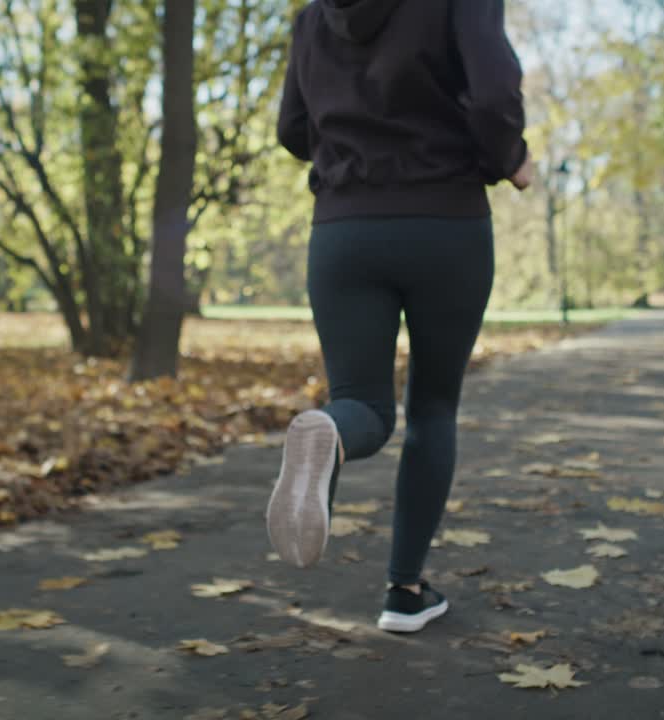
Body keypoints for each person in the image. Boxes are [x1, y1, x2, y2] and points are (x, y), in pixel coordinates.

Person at [266, 0, 533, 634]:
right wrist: (511, 157)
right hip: (446, 224)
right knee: (433, 409)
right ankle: (404, 592)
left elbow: (291, 130)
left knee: (362, 405)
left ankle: (330, 433)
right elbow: (494, 95)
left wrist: (356, 140)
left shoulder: (313, 18)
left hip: (343, 231)